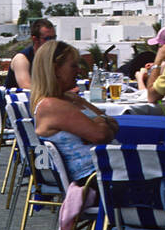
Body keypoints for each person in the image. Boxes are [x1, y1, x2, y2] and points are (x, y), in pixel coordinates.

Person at [30, 40, 118, 180]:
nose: (79, 70)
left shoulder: (69, 98)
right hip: (95, 179)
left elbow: (113, 125)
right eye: (73, 66)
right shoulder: (52, 106)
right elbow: (101, 135)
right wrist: (102, 121)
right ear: (56, 69)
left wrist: (100, 122)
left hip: (105, 172)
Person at [6, 17, 57, 90]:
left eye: (54, 38)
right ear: (35, 39)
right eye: (48, 39)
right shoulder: (21, 59)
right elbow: (26, 86)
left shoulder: (52, 57)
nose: (52, 42)